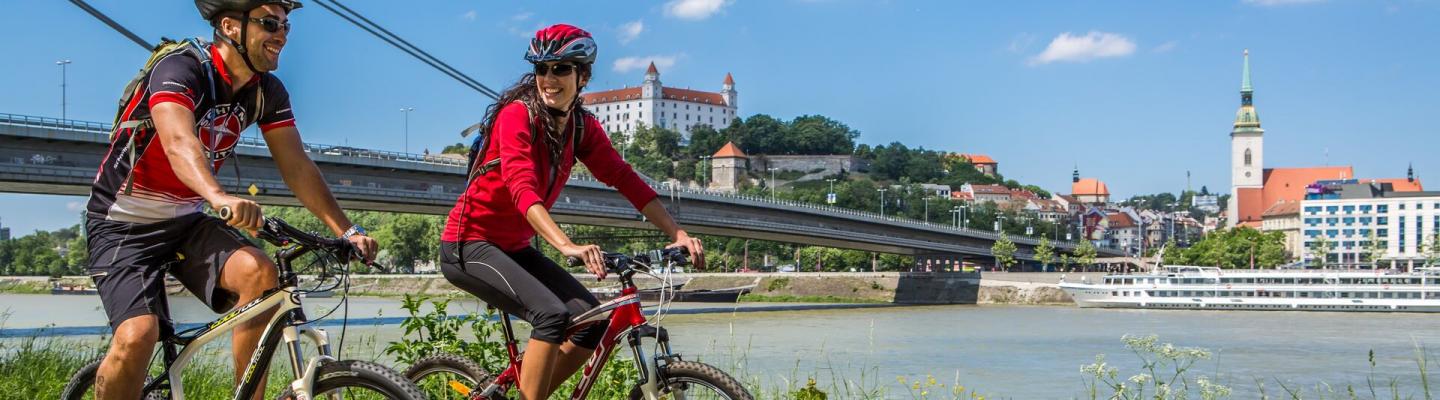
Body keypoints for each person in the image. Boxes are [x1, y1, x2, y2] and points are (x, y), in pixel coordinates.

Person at [85, 1, 376, 399]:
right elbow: (178, 141)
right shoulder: (180, 69)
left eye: (286, 26)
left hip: (186, 223)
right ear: (230, 26)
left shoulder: (266, 92)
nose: (281, 34)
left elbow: (297, 167)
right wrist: (218, 196)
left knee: (260, 273)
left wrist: (348, 230)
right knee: (138, 336)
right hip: (122, 224)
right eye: (270, 23)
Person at [439, 24, 706, 400]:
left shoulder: (580, 126)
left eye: (561, 68)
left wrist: (676, 233)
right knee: (550, 314)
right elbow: (520, 187)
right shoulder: (517, 115)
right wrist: (568, 245)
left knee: (591, 322)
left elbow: (624, 178)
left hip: (513, 248)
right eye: (542, 68)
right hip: (468, 244)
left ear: (583, 75)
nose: (549, 78)